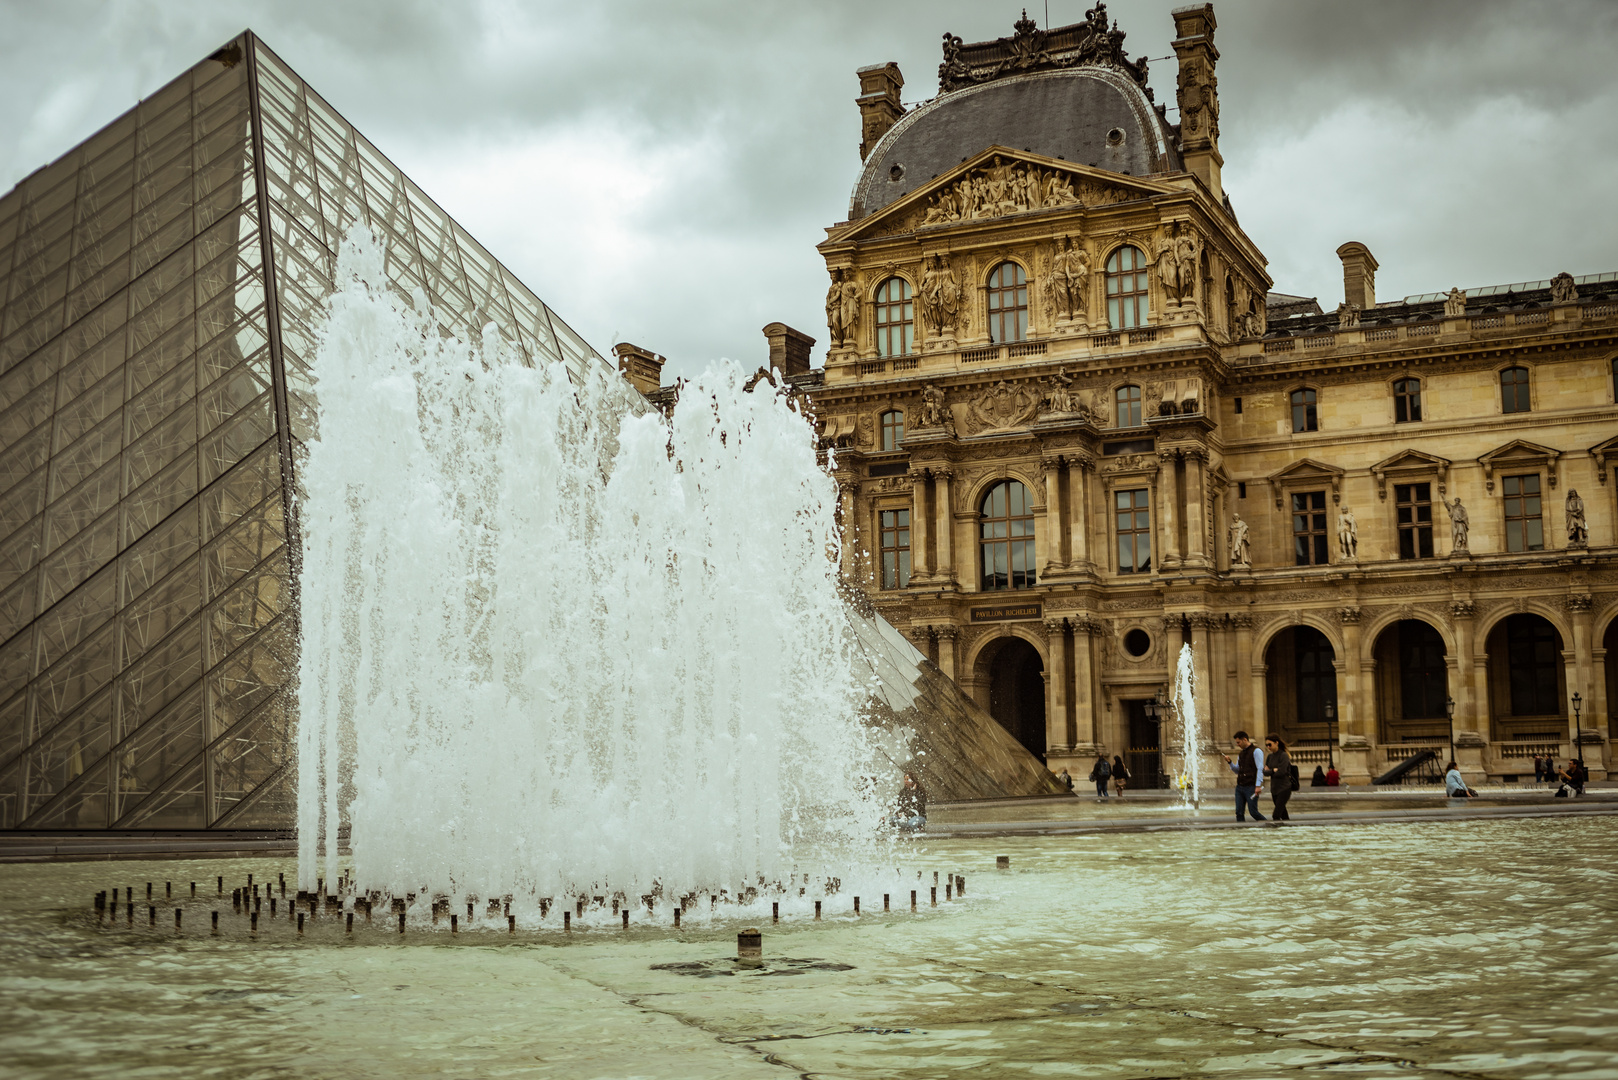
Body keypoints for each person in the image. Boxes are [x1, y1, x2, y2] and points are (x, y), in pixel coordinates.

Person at [1219, 731, 1266, 822]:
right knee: (1239, 812)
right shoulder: (1241, 754)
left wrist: (1258, 785)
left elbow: (1260, 769)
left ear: (1245, 739)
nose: (1237, 745)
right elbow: (1237, 770)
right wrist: (1230, 762)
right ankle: (1241, 831)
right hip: (1240, 787)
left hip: (1251, 786)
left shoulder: (1256, 751)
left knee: (1253, 812)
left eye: (1238, 742)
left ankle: (1269, 825)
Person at [1263, 736, 1294, 822]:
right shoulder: (1270, 757)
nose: (1268, 747)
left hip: (1284, 788)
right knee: (1283, 814)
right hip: (1274, 789)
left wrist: (1270, 771)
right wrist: (1273, 770)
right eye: (1266, 745)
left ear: (1276, 743)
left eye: (1270, 744)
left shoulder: (1283, 755)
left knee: (1276, 815)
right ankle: (1289, 831)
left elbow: (1282, 772)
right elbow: (1264, 772)